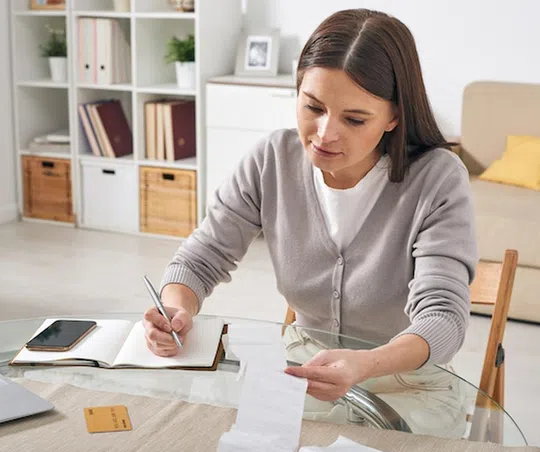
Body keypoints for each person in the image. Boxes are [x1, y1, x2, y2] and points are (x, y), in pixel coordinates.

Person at [143, 8, 477, 427]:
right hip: (302, 364)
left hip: (408, 383)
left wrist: (365, 364)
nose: (324, 133)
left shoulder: (437, 179)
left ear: (394, 116)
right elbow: (198, 260)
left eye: (354, 119)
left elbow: (443, 318)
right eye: (312, 107)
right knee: (219, 439)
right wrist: (177, 310)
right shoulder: (272, 160)